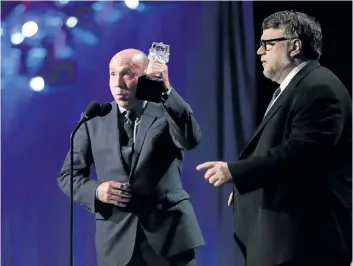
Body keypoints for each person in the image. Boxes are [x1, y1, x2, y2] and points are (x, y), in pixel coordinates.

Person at [196, 10, 352, 266]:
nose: (260, 51)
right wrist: (248, 187)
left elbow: (300, 155)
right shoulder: (295, 88)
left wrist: (237, 172)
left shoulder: (318, 88)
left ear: (295, 46)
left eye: (268, 43)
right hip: (284, 241)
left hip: (304, 243)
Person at [57, 48, 205, 266]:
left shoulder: (167, 111)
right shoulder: (94, 119)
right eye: (112, 73)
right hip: (116, 242)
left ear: (147, 76)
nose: (118, 83)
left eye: (127, 73)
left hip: (169, 237)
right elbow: (68, 175)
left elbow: (190, 139)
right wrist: (97, 191)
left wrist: (166, 92)